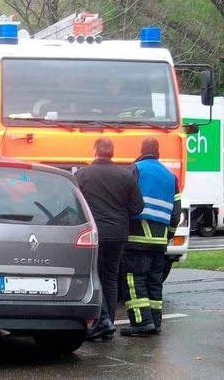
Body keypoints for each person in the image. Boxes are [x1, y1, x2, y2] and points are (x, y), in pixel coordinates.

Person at [76, 138, 144, 340]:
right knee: (111, 278)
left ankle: (101, 322)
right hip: (118, 233)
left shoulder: (82, 174)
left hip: (94, 233)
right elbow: (137, 206)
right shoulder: (126, 176)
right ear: (112, 153)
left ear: (95, 150)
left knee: (94, 275)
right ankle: (109, 324)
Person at [120, 137, 181, 336]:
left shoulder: (136, 169)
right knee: (154, 282)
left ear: (142, 150)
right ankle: (155, 322)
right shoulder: (171, 176)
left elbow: (125, 200)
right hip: (159, 240)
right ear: (158, 152)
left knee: (133, 279)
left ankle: (140, 322)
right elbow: (176, 212)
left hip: (137, 236)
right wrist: (168, 236)